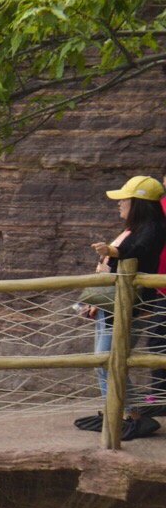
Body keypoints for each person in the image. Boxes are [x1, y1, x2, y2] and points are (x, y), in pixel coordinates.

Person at [79, 174, 166, 439]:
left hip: (130, 305)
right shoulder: (139, 227)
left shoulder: (152, 228)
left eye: (123, 199)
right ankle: (118, 411)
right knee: (105, 360)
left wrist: (114, 253)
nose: (119, 204)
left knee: (107, 361)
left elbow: (142, 252)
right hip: (115, 305)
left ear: (137, 203)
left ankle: (131, 416)